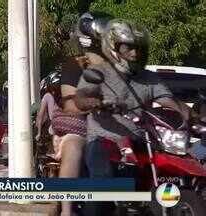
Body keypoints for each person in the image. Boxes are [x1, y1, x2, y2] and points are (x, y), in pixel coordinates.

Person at [75, 19, 190, 216]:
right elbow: (81, 99)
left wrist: (187, 113)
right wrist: (96, 103)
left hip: (140, 140)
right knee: (103, 181)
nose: (135, 54)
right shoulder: (98, 72)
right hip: (105, 139)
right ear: (113, 46)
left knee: (168, 172)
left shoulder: (149, 78)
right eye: (128, 47)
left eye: (139, 49)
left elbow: (168, 101)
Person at [51, 12, 111, 216]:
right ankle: (67, 211)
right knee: (74, 147)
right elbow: (70, 104)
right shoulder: (74, 64)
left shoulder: (118, 67)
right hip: (80, 126)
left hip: (114, 126)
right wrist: (97, 104)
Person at [35, 72, 61, 144]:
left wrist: (39, 133)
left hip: (54, 126)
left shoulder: (47, 96)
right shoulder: (61, 95)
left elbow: (40, 116)